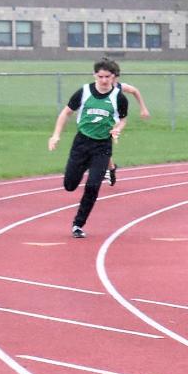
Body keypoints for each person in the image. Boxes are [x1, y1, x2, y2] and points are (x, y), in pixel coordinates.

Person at [48, 57, 128, 239]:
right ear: (95, 75)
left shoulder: (119, 97)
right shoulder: (83, 92)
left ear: (114, 77)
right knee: (69, 185)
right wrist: (56, 135)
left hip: (102, 146)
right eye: (100, 76)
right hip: (82, 143)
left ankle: (78, 224)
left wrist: (117, 129)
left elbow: (123, 119)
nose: (104, 80)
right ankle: (82, 166)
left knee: (93, 186)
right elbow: (66, 113)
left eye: (108, 76)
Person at [104, 80, 150, 186]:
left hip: (114, 121)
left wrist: (143, 108)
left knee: (104, 146)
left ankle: (109, 169)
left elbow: (135, 91)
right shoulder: (97, 87)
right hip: (101, 120)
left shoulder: (120, 86)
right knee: (101, 148)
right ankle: (110, 169)